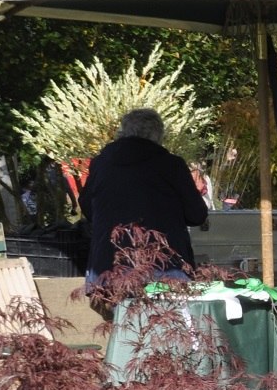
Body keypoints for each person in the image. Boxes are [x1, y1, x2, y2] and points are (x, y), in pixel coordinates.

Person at [80, 108, 208, 285]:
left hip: (108, 268)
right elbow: (197, 214)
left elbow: (87, 207)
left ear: (123, 132)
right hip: (163, 267)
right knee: (162, 313)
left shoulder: (100, 164)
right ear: (157, 135)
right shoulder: (171, 165)